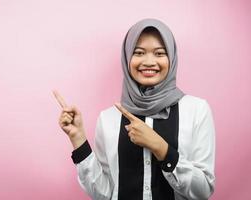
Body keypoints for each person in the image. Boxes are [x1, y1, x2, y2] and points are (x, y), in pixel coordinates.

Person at [53, 18, 215, 200]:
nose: (148, 61)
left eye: (159, 53)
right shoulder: (109, 118)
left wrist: (161, 148)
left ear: (172, 58)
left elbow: (203, 190)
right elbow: (104, 193)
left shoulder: (196, 111)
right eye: (138, 53)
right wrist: (78, 139)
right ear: (127, 57)